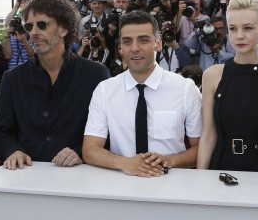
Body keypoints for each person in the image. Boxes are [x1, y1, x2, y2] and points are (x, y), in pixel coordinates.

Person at [0, 0, 110, 170]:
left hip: (80, 177)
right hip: (27, 175)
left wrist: (79, 152)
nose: (33, 32)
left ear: (63, 29)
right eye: (29, 26)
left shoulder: (96, 74)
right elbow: (3, 133)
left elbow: (107, 131)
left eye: (42, 25)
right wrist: (13, 151)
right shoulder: (13, 78)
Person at [83, 11, 202, 176]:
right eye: (127, 41)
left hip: (172, 185)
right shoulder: (105, 90)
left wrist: (170, 161)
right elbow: (90, 149)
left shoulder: (186, 89)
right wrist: (126, 163)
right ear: (121, 48)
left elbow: (201, 148)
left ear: (158, 44)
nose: (135, 48)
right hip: (121, 184)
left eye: (144, 40)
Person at [197, 0, 258, 172]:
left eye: (248, 28)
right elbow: (208, 136)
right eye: (233, 29)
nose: (239, 36)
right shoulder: (212, 75)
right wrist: (201, 181)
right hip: (220, 169)